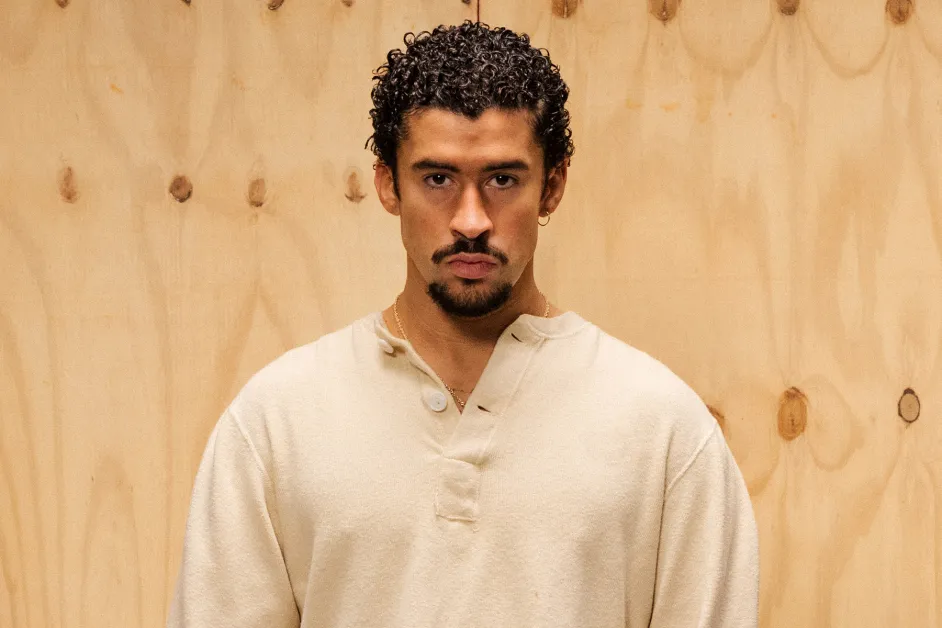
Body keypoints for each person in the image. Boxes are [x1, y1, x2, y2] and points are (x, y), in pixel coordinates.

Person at [168, 20, 759, 628]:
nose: (471, 219)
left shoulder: (663, 430)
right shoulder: (276, 422)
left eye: (503, 179)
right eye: (438, 179)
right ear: (387, 184)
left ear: (551, 186)